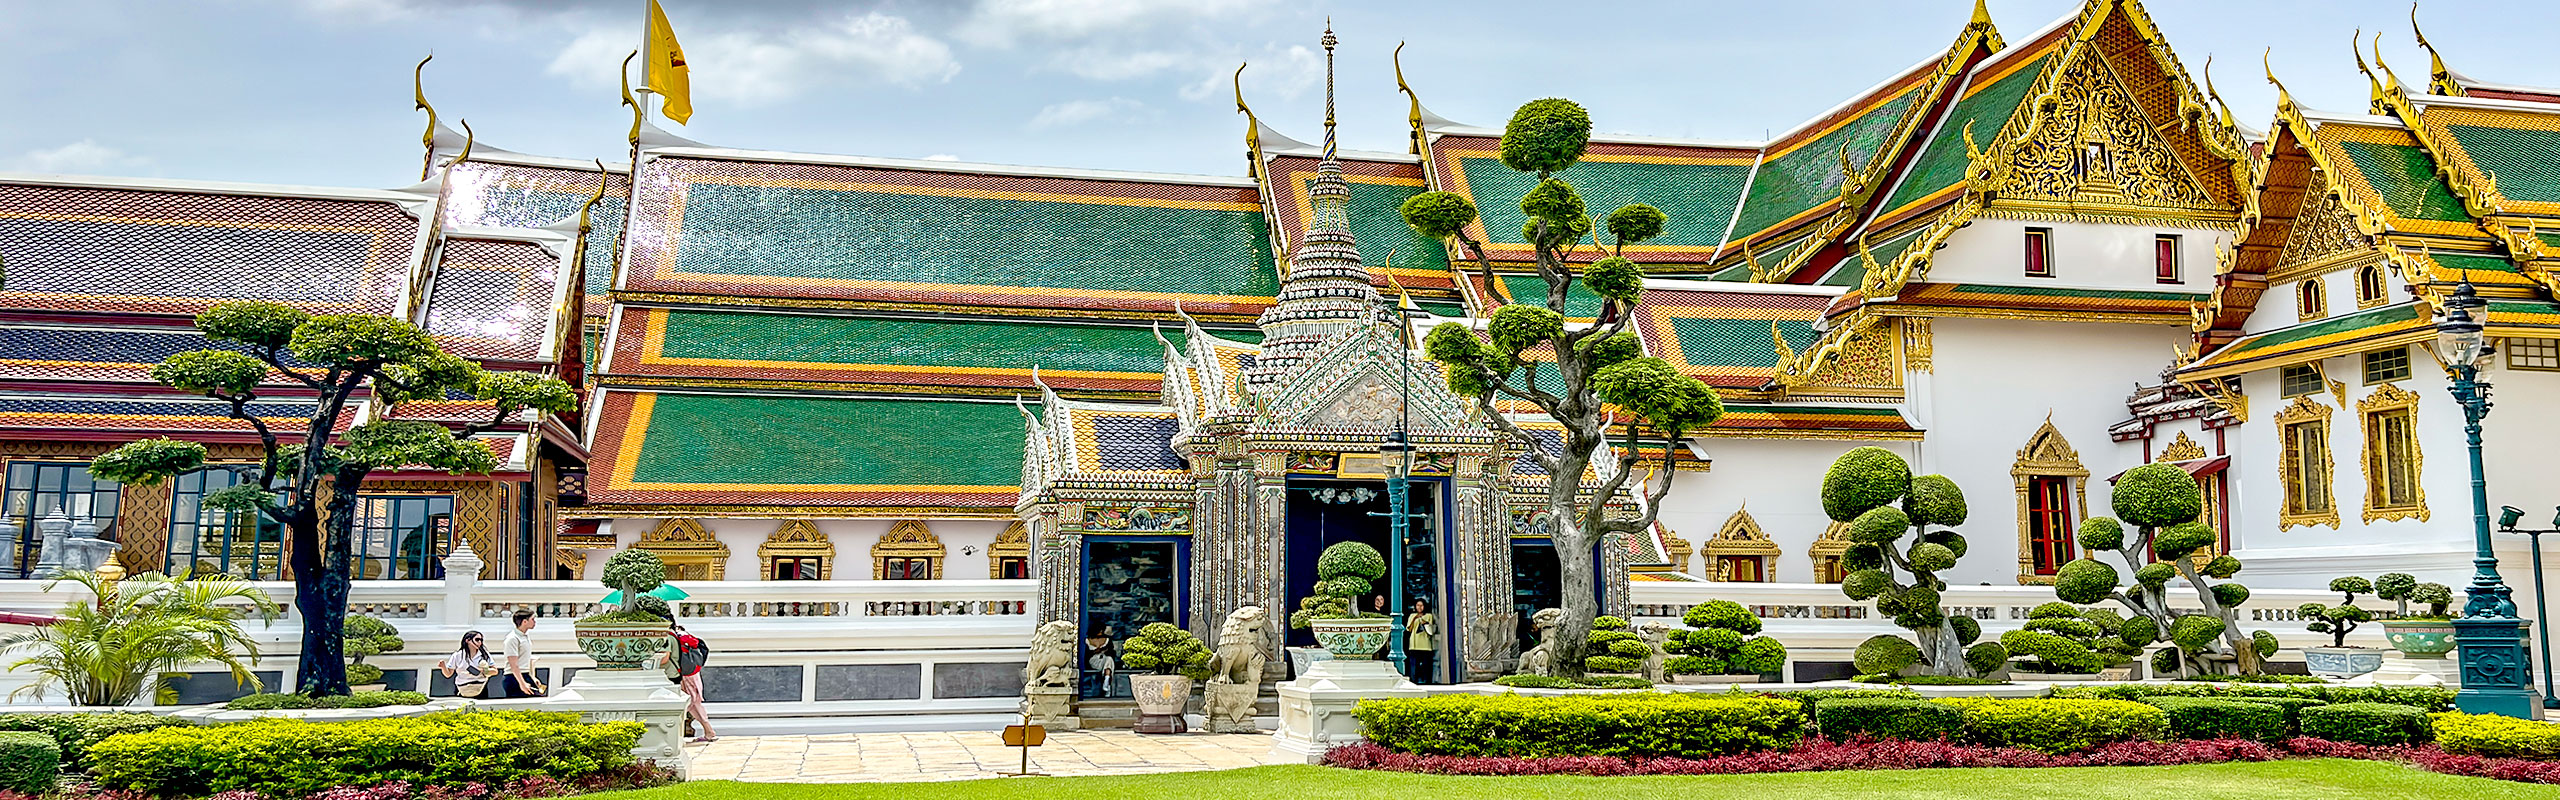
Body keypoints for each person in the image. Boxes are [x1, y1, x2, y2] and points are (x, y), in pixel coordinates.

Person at [659, 623, 716, 742]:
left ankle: (709, 731)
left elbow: (665, 658)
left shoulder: (668, 637)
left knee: (692, 703)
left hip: (683, 675)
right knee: (691, 704)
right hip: (688, 673)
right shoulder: (677, 634)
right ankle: (706, 731)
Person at [502, 609, 546, 698]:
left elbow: (526, 658)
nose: (535, 622)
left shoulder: (525, 636)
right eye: (532, 619)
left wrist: (532, 677)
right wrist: (522, 684)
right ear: (525, 622)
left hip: (525, 674)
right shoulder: (512, 638)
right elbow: (513, 665)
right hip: (514, 677)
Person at [440, 631, 495, 698]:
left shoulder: (484, 655)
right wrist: (443, 667)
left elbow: (495, 671)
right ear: (468, 640)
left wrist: (484, 670)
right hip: (462, 687)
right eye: (477, 639)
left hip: (480, 687)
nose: (479, 642)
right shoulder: (458, 655)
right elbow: (448, 674)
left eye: (481, 640)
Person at [1406, 598, 1438, 685]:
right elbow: (1409, 629)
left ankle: (1426, 680)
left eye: (1421, 605)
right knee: (1414, 664)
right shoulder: (1412, 616)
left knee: (1425, 664)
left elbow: (1430, 628)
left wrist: (1423, 620)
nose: (1419, 607)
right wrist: (1415, 618)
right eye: (1418, 605)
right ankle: (1414, 680)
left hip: (1425, 644)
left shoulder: (1428, 616)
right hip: (1414, 643)